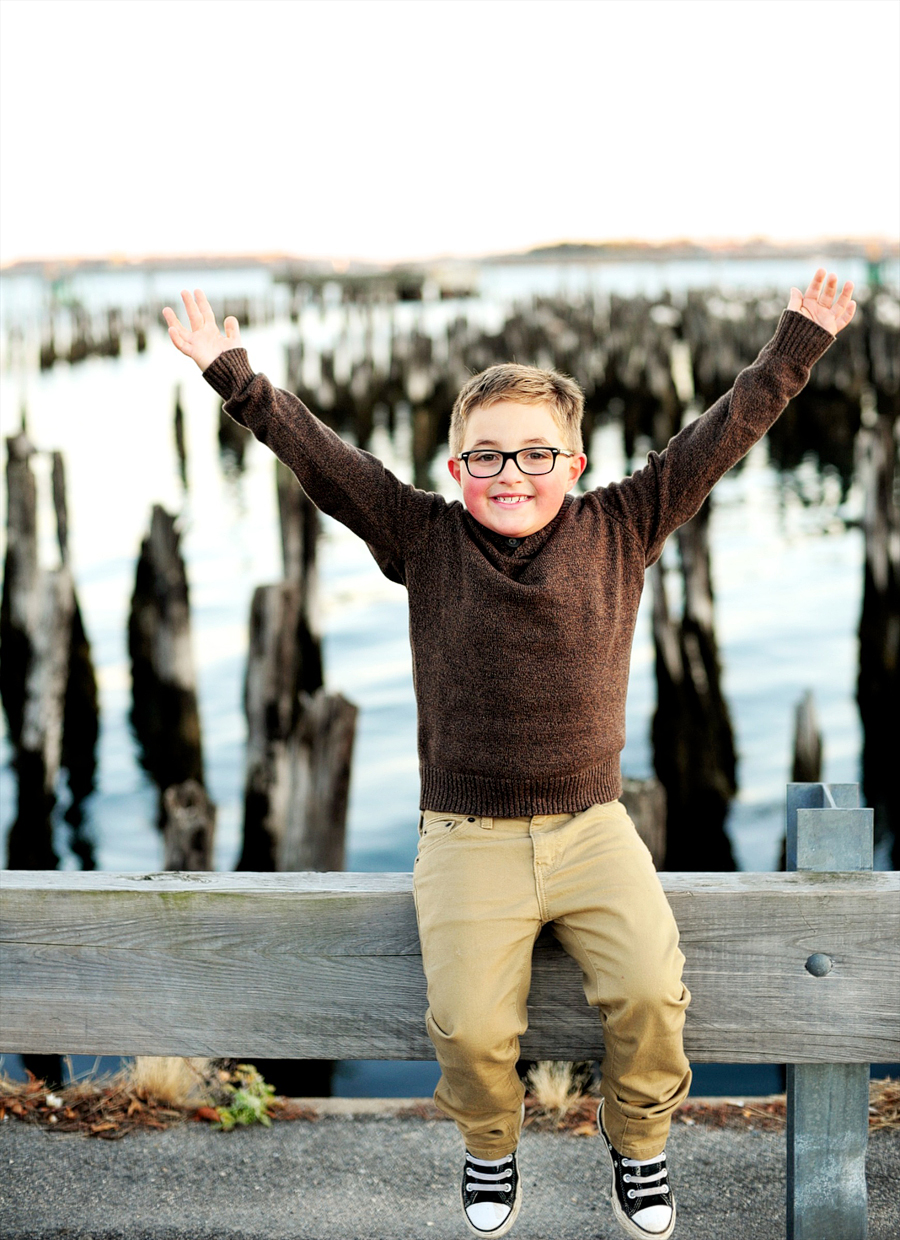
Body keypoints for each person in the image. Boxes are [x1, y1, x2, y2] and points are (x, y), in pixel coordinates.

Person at [164, 269, 855, 1239]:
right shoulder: (420, 537)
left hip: (594, 827)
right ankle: (491, 1145)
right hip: (466, 835)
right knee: (471, 1029)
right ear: (454, 470)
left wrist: (796, 347)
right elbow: (322, 459)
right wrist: (236, 378)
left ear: (575, 464)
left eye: (536, 454)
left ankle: (639, 1141)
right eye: (485, 457)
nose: (511, 474)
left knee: (654, 993)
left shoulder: (627, 521)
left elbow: (724, 431)